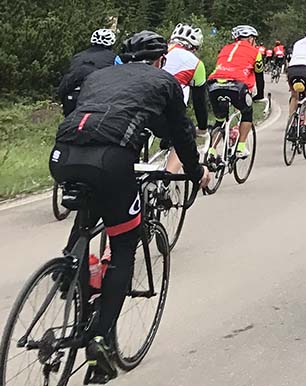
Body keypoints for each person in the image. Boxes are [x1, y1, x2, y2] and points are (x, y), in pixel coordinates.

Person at [50, 30, 209, 384]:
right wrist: (197, 172)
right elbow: (180, 133)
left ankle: (72, 270)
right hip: (111, 159)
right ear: (161, 60)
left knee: (90, 213)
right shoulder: (164, 81)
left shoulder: (99, 75)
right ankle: (101, 341)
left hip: (63, 155)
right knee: (124, 244)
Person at [207, 25, 265, 160]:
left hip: (214, 84)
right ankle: (241, 147)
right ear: (250, 39)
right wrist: (260, 95)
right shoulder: (255, 52)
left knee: (220, 120)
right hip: (237, 85)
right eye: (254, 39)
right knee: (247, 113)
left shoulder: (224, 49)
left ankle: (212, 150)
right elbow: (259, 77)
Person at [163, 24, 208, 173]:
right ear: (194, 48)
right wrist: (202, 127)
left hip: (140, 104)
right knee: (184, 134)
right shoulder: (196, 63)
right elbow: (199, 101)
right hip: (169, 110)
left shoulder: (157, 51)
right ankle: (166, 180)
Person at [57, 29, 121, 114]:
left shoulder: (77, 56)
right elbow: (121, 75)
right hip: (98, 96)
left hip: (72, 96)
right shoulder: (114, 58)